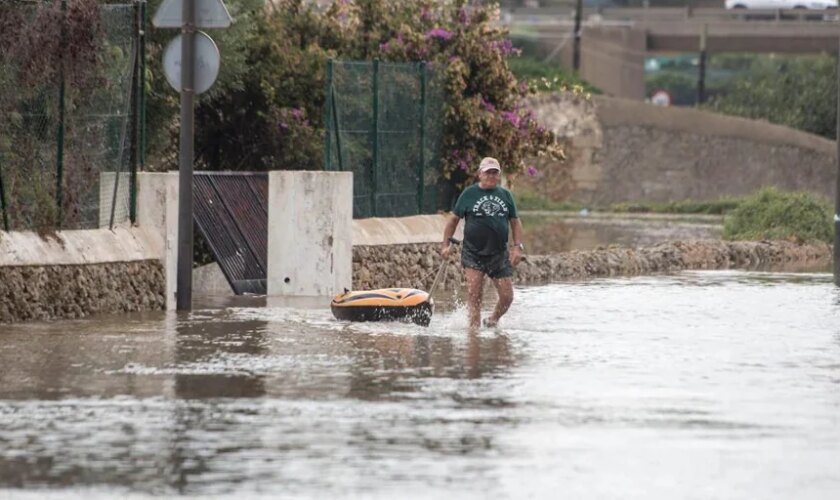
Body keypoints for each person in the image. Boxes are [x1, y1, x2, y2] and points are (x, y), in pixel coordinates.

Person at [440, 157, 524, 328]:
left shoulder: (505, 195)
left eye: (495, 173)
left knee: (507, 297)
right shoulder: (469, 194)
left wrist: (517, 247)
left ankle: (493, 319)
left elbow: (515, 222)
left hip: (499, 254)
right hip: (473, 253)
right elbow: (453, 220)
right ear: (480, 174)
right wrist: (445, 245)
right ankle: (474, 335)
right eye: (488, 173)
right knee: (474, 295)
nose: (491, 176)